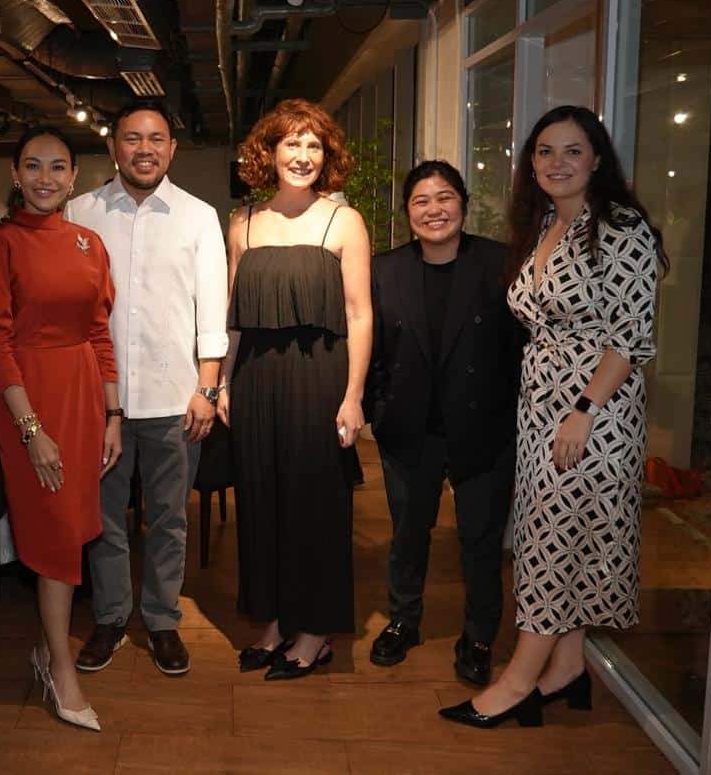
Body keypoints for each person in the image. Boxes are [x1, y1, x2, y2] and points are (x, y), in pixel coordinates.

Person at [440, 105, 667, 728]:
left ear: (597, 158)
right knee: (560, 538)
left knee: (546, 544)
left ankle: (517, 681)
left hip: (594, 414)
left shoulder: (621, 228)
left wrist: (584, 411)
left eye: (572, 150)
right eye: (545, 151)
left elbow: (631, 337)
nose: (557, 163)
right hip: (542, 408)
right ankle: (567, 669)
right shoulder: (544, 224)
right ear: (531, 163)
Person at [0, 126, 122, 731]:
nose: (46, 178)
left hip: (83, 395)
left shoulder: (89, 243)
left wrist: (113, 415)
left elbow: (100, 333)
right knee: (55, 531)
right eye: (33, 166)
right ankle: (61, 666)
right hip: (28, 396)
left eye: (58, 167)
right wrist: (30, 430)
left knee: (75, 527)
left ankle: (48, 654)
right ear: (15, 172)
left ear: (74, 177)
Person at [66, 99, 228, 677]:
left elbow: (212, 310)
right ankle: (110, 617)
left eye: (156, 139)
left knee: (168, 519)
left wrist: (207, 390)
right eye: (132, 138)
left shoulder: (198, 216)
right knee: (104, 519)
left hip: (174, 399)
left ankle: (160, 620)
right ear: (114, 146)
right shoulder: (80, 212)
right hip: (99, 402)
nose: (144, 149)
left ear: (172, 149)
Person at [219, 99, 372, 680]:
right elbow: (234, 316)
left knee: (316, 505)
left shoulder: (343, 222)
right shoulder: (243, 223)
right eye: (292, 143)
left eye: (314, 145)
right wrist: (226, 382)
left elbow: (360, 314)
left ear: (326, 156)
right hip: (255, 379)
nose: (303, 155)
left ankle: (315, 630)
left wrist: (353, 394)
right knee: (260, 504)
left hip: (319, 377)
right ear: (269, 152)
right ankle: (275, 621)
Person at [364, 160, 524, 685]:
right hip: (410, 429)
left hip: (485, 429)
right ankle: (403, 621)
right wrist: (378, 409)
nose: (434, 210)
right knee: (409, 535)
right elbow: (372, 349)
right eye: (421, 201)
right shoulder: (385, 269)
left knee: (480, 541)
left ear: (464, 203)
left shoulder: (500, 264)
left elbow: (522, 350)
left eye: (444, 198)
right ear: (408, 212)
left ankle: (478, 636)